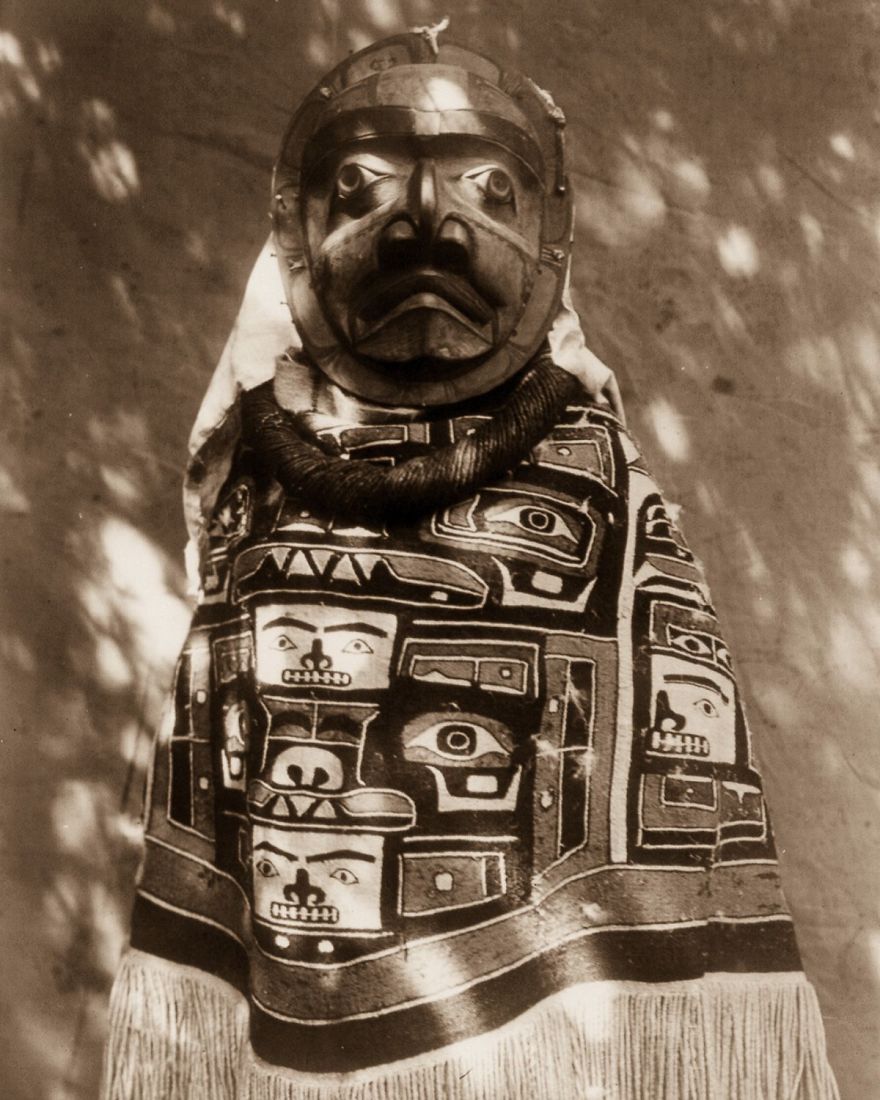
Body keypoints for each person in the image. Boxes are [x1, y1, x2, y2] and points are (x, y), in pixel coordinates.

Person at [101, 26, 839, 1100]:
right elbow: (224, 743)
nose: (425, 223)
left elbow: (665, 751)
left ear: (546, 236)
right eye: (359, 186)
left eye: (487, 188)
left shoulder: (592, 471)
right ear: (298, 233)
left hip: (555, 1045)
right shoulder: (269, 475)